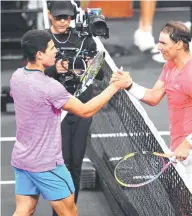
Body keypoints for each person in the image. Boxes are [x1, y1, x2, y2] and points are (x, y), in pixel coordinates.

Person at [10, 29, 131, 216]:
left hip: (22, 159)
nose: (55, 51)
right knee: (69, 212)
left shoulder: (17, 77)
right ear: (39, 54)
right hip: (47, 164)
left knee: (25, 210)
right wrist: (115, 86)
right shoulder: (50, 87)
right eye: (51, 48)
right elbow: (86, 110)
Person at [112, 21, 192, 192]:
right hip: (178, 147)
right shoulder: (170, 66)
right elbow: (153, 97)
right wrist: (129, 85)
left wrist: (188, 144)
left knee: (187, 206)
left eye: (163, 43)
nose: (158, 47)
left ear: (179, 44)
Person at [44, 1, 105, 214]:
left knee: (75, 166)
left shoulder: (86, 40)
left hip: (80, 109)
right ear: (50, 15)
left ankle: (69, 210)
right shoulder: (41, 40)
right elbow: (31, 75)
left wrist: (90, 67)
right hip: (53, 112)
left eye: (67, 17)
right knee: (60, 166)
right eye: (59, 17)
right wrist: (55, 69)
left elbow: (101, 75)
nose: (63, 21)